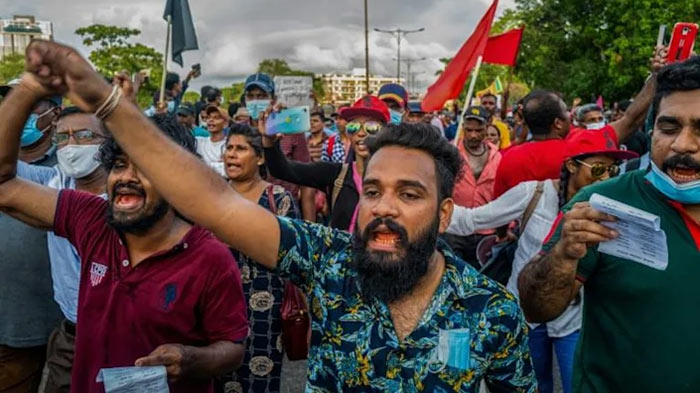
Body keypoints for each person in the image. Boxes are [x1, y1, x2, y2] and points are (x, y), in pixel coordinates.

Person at [26, 40, 538, 391]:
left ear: (445, 213)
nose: (383, 207)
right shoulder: (329, 261)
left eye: (409, 195)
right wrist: (108, 102)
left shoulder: (491, 311)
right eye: (375, 190)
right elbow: (214, 202)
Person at [0, 67, 249, 392]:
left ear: (181, 178)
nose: (126, 177)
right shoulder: (91, 218)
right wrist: (28, 91)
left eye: (146, 166)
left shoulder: (210, 258)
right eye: (118, 164)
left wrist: (189, 359)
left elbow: (231, 349)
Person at [517, 54, 700, 393]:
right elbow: (538, 307)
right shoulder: (602, 204)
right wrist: (562, 256)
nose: (682, 145)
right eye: (669, 127)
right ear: (651, 130)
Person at [448, 130, 637, 393]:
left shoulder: (610, 209)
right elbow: (472, 220)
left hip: (573, 320)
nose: (605, 177)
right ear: (572, 165)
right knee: (532, 386)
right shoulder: (533, 194)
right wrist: (426, 206)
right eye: (597, 170)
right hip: (525, 315)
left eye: (613, 171)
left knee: (576, 386)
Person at [17, 106, 109, 393]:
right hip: (72, 333)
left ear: (108, 142)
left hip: (122, 334)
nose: (71, 146)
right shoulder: (53, 183)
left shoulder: (130, 193)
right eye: (63, 137)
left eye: (83, 135)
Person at [492, 45, 662, 199]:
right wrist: (656, 75)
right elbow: (631, 120)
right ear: (558, 123)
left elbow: (499, 207)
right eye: (566, 111)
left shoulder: (508, 158)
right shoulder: (581, 144)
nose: (570, 115)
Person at [216, 124, 300, 393]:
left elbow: (294, 255)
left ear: (260, 158)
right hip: (217, 304)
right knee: (218, 376)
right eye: (229, 148)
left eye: (240, 149)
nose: (231, 155)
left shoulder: (278, 199)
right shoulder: (211, 195)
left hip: (266, 310)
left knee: (260, 382)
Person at [0, 79, 63, 393]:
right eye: (11, 101)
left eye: (30, 103)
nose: (18, 110)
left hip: (65, 332)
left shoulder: (73, 165)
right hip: (8, 325)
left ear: (55, 114)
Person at [264, 95, 389, 230]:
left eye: (372, 127)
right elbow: (282, 170)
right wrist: (270, 143)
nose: (361, 133)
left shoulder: (398, 179)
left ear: (386, 132)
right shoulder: (336, 174)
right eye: (353, 126)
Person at [242, 72, 316, 222]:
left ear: (273, 99)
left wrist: (309, 228)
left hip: (285, 213)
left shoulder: (290, 130)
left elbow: (307, 183)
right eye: (250, 96)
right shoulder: (239, 131)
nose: (255, 101)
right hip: (247, 210)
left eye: (261, 96)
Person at [444, 106, 502, 266]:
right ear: (462, 128)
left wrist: (506, 227)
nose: (473, 135)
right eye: (469, 130)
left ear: (487, 127)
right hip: (454, 229)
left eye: (479, 130)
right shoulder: (450, 153)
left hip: (487, 230)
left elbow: (503, 192)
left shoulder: (498, 157)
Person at [197, 105, 229, 177]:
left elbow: (227, 171)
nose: (211, 120)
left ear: (225, 124)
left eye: (216, 118)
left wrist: (203, 164)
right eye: (209, 117)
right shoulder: (199, 142)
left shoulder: (229, 145)